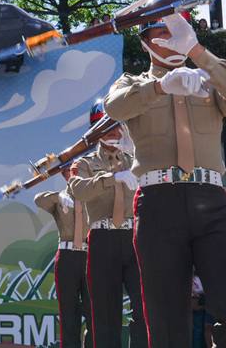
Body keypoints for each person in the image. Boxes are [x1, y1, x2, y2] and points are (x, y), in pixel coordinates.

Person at [104, 13, 226, 347]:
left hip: (212, 200)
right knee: (167, 320)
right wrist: (160, 86)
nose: (171, 39)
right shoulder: (132, 84)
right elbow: (115, 108)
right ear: (145, 42)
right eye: (162, 33)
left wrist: (197, 51)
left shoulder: (209, 79)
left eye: (177, 32)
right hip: (159, 203)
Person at [68, 100, 146, 348]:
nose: (112, 132)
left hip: (134, 238)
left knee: (144, 307)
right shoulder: (84, 164)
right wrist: (112, 178)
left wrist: (137, 158)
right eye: (105, 126)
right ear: (94, 130)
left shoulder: (135, 160)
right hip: (103, 240)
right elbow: (78, 190)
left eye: (115, 125)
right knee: (104, 313)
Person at [35, 161, 92, 348]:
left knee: (94, 312)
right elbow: (38, 200)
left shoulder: (93, 194)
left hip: (90, 255)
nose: (73, 173)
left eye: (77, 170)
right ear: (64, 175)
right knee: (68, 313)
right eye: (68, 171)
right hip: (67, 256)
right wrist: (58, 197)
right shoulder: (59, 199)